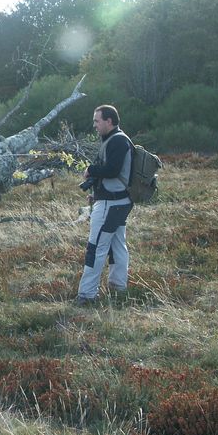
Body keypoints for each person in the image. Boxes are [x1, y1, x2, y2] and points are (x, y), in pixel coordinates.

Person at [76, 105, 133, 304]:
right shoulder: (117, 139)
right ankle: (118, 289)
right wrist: (96, 194)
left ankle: (86, 296)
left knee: (96, 248)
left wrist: (91, 170)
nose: (94, 125)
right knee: (117, 246)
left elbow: (112, 170)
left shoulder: (117, 140)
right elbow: (113, 172)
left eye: (97, 121)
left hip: (112, 204)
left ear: (109, 121)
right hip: (118, 202)